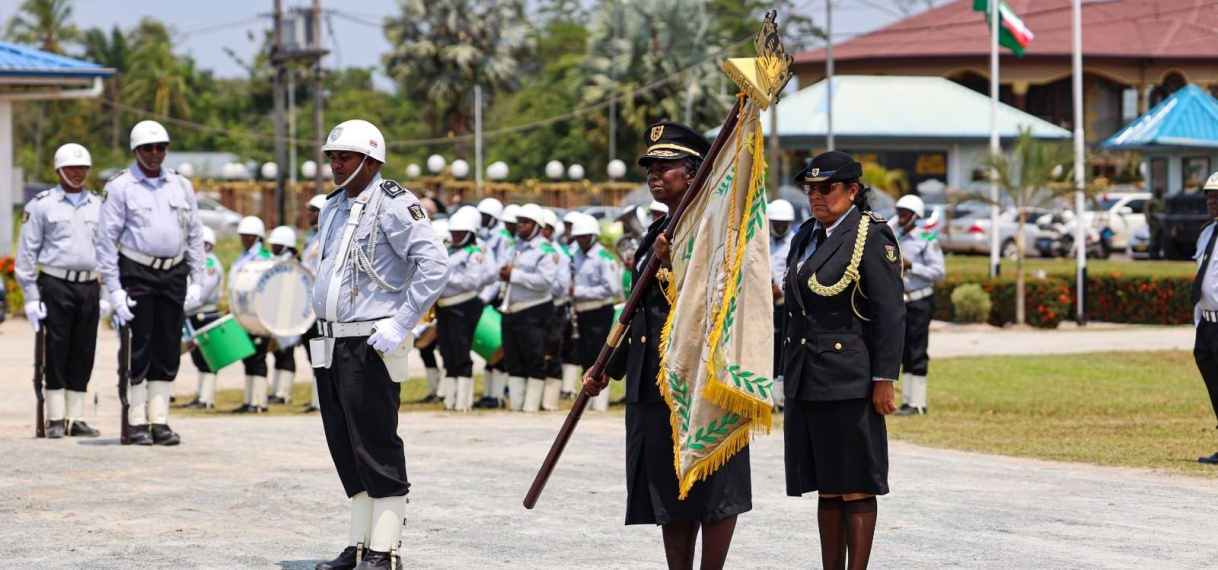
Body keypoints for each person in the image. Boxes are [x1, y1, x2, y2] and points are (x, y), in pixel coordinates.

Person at [584, 121, 749, 570]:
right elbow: (638, 309)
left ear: (695, 174)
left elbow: (720, 292)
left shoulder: (718, 229)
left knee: (714, 484)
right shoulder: (655, 229)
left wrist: (675, 258)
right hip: (651, 381)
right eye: (650, 167)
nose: (655, 175)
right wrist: (607, 366)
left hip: (700, 378)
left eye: (666, 166)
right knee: (668, 490)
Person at [310, 119, 449, 570]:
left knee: (375, 443)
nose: (335, 165)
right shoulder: (332, 206)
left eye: (344, 157)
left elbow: (434, 265)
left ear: (371, 161)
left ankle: (385, 549)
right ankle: (359, 543)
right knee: (344, 443)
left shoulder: (394, 203)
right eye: (332, 157)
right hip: (331, 342)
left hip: (370, 340)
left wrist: (402, 322)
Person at [781, 150, 904, 570]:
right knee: (827, 486)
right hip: (807, 376)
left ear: (852, 191)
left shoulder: (871, 235)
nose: (816, 196)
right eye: (810, 188)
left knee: (853, 484)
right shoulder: (805, 235)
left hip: (849, 378)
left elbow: (890, 312)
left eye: (826, 188)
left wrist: (885, 378)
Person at [97, 120, 205, 446]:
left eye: (160, 148)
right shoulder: (120, 187)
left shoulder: (181, 185)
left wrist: (198, 280)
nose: (155, 154)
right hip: (137, 272)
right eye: (148, 148)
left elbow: (195, 234)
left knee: (168, 346)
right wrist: (113, 289)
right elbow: (105, 243)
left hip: (173, 272)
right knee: (138, 346)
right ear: (136, 150)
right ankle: (136, 420)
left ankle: (159, 421)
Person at [16, 142, 106, 438]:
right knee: (56, 348)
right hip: (55, 284)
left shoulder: (98, 205)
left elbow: (106, 251)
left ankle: (75, 417)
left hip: (88, 285)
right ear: (58, 170)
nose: (78, 173)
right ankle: (55, 417)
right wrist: (31, 297)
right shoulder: (42, 205)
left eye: (82, 168)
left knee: (84, 349)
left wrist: (105, 294)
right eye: (71, 168)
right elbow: (27, 255)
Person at [499, 203, 558, 412]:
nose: (520, 226)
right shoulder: (515, 246)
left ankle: (531, 406)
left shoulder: (546, 249)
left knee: (535, 358)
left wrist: (513, 275)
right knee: (513, 359)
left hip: (534, 309)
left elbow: (544, 280)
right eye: (519, 222)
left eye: (525, 223)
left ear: (537, 226)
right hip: (512, 310)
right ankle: (516, 405)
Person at [435, 206, 496, 411]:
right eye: (454, 232)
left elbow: (471, 280)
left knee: (461, 352)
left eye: (460, 233)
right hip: (444, 307)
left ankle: (463, 402)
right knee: (447, 352)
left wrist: (443, 276)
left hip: (463, 305)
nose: (456, 236)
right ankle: (450, 400)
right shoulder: (450, 250)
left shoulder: (475, 251)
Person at [892, 194, 946, 417]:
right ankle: (907, 402)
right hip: (901, 301)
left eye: (905, 213)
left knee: (917, 350)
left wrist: (912, 265)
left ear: (915, 215)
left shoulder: (927, 238)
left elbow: (939, 272)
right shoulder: (895, 236)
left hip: (920, 300)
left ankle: (919, 402)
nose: (900, 216)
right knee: (903, 351)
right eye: (899, 212)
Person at [568, 213, 621, 411]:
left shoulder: (603, 257)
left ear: (593, 236)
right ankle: (587, 401)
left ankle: (600, 404)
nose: (581, 240)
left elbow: (611, 288)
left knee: (598, 356)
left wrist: (579, 291)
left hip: (599, 311)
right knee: (583, 355)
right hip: (580, 311)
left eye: (585, 236)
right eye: (578, 237)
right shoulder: (575, 255)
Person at [230, 215, 273, 413]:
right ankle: (249, 400)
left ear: (258, 237)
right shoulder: (242, 256)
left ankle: (259, 401)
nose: (244, 239)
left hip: (259, 315)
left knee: (258, 357)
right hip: (243, 314)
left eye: (249, 236)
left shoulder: (264, 259)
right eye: (243, 236)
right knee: (247, 356)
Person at [1191, 172, 1218, 466]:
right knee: (1214, 386)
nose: (1212, 201)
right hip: (1207, 325)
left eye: (1217, 196)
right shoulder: (1206, 233)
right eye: (1209, 196)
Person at [184, 226, 225, 409]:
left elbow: (203, 291)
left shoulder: (209, 263)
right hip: (192, 313)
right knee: (198, 357)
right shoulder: (196, 261)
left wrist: (182, 306)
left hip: (205, 314)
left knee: (207, 358)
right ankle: (201, 395)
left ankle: (206, 399)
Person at [267, 224, 302, 405]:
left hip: (289, 316)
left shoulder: (292, 265)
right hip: (276, 315)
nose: (273, 248)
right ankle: (276, 390)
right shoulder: (278, 262)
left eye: (276, 245)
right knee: (278, 353)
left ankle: (284, 393)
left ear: (286, 246)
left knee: (286, 353)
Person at [541, 208, 572, 411]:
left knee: (553, 352)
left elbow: (561, 285)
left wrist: (539, 283)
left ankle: (550, 400)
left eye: (546, 229)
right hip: (539, 307)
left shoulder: (558, 253)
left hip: (555, 308)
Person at [302, 193, 328, 412]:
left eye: (312, 210)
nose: (308, 214)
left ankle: (322, 400)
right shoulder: (311, 236)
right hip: (306, 306)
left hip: (319, 306)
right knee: (312, 353)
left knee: (321, 354)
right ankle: (316, 398)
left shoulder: (325, 238)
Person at [769, 198, 796, 410]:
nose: (779, 226)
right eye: (776, 222)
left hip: (784, 303)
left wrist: (780, 288)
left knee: (782, 349)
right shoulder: (761, 240)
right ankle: (768, 398)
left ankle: (780, 398)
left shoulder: (795, 242)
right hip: (763, 303)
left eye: (783, 223)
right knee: (766, 349)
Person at [1146, 185, 1166, 260]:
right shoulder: (1151, 200)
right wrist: (1149, 221)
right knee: (1153, 240)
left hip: (1162, 223)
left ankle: (1161, 256)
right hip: (1154, 222)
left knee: (1162, 240)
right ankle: (1153, 256)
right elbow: (1147, 211)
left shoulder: (1163, 199)